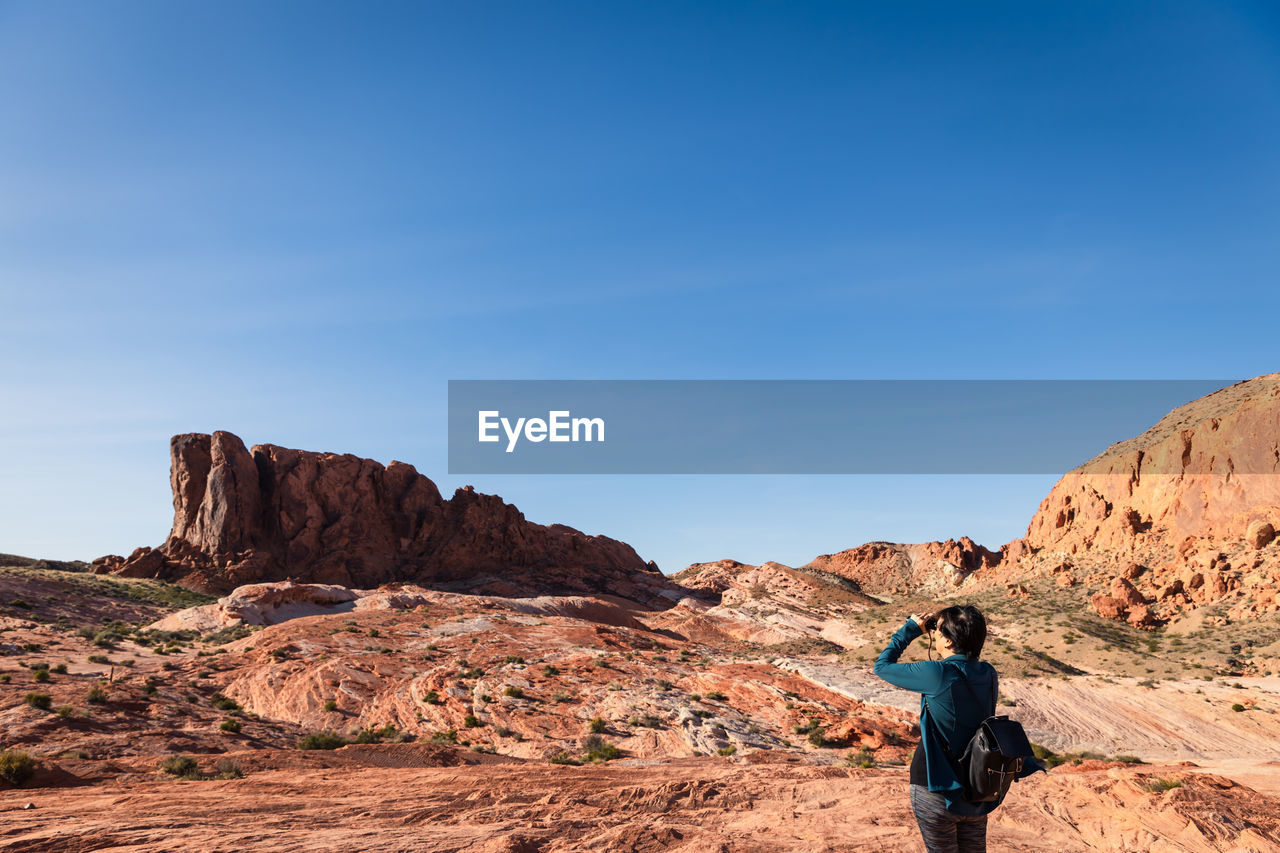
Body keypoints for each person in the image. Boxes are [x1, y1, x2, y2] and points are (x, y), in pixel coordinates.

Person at [873, 604, 1033, 853]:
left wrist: (910, 630)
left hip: (935, 786)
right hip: (977, 784)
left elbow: (882, 666)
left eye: (937, 633)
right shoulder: (988, 673)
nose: (934, 635)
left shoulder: (937, 673)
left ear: (948, 642)